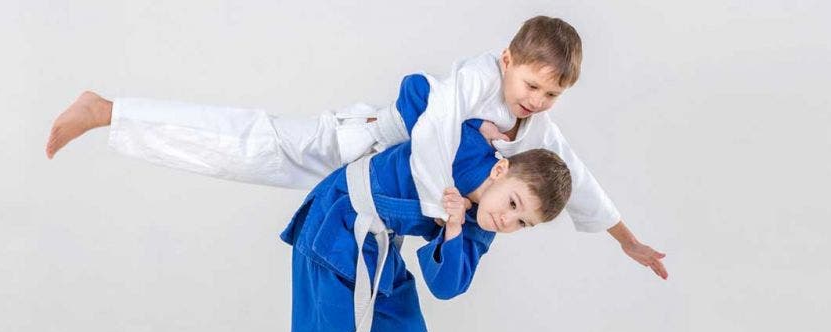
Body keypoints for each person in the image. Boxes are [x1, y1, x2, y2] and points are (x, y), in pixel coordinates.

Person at [45, 15, 668, 279]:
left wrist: (626, 239)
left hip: (373, 181)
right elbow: (430, 133)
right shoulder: (478, 77)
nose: (535, 102)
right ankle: (107, 110)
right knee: (258, 142)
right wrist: (442, 203)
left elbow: (577, 179)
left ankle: (111, 113)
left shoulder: (534, 131)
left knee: (253, 155)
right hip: (362, 140)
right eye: (531, 85)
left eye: (551, 96)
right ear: (508, 60)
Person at [282, 72, 572, 332]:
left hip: (380, 246)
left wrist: (454, 226)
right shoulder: (467, 146)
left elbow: (447, 285)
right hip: (335, 222)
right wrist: (477, 124)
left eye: (521, 222)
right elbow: (417, 89)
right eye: (513, 203)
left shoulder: (481, 225)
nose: (507, 219)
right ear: (500, 169)